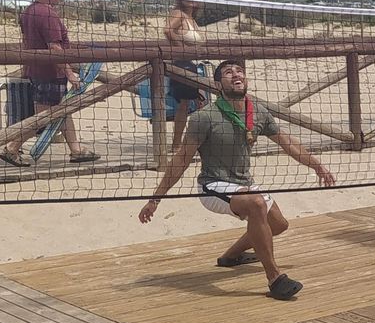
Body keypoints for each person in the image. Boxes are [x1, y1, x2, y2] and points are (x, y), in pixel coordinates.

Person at [138, 59, 335, 300]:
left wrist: (318, 167)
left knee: (279, 225)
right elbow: (181, 160)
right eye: (228, 73)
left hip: (244, 183)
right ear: (218, 83)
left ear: (246, 80)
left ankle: (230, 257)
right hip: (212, 185)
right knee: (256, 204)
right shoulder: (204, 117)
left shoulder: (258, 112)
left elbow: (289, 144)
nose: (235, 75)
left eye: (239, 71)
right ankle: (275, 278)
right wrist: (155, 200)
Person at [0, 0, 99, 166]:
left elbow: (27, 43)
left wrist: (25, 68)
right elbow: (54, 47)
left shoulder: (28, 11)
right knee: (43, 118)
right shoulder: (47, 14)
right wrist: (69, 73)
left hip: (37, 70)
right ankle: (12, 148)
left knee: (63, 110)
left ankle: (76, 150)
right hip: (50, 73)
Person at [163, 0, 207, 152]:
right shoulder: (179, 14)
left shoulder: (191, 19)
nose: (192, 0)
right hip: (182, 65)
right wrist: (181, 48)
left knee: (200, 103)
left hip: (194, 65)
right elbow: (167, 30)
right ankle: (176, 145)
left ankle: (198, 140)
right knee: (184, 104)